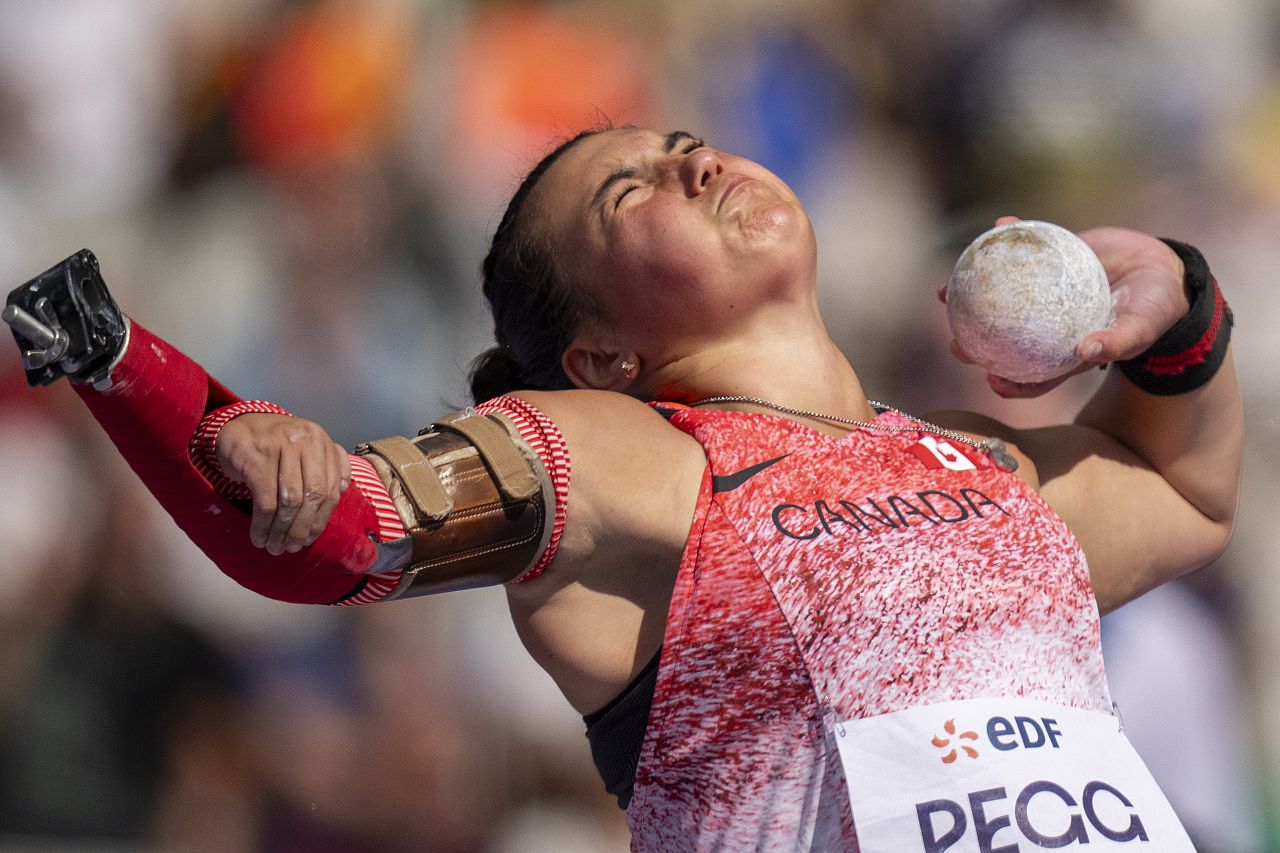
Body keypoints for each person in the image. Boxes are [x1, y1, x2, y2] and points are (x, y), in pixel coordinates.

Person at [4, 126, 1241, 851]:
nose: (691, 159)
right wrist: (140, 372)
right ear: (601, 354)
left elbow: (1179, 496)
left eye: (678, 143)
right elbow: (334, 537)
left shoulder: (976, 463)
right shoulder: (617, 454)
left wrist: (1180, 309)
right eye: (630, 191)